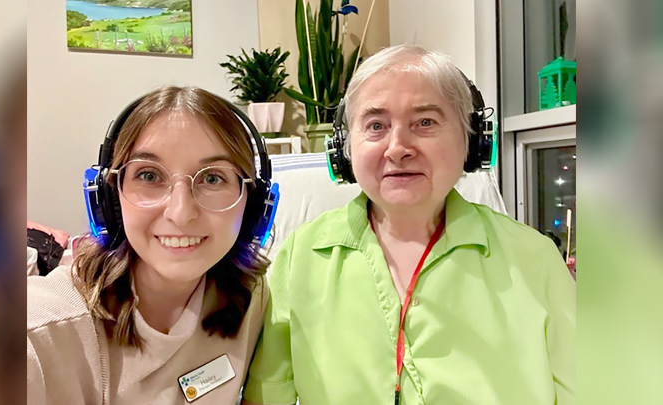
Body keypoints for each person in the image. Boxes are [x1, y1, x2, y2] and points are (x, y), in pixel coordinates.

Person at [242, 45, 575, 405]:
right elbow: (267, 394)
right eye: (375, 126)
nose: (398, 147)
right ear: (345, 149)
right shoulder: (299, 258)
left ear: (472, 140)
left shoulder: (533, 259)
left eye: (425, 122)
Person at [28, 86, 277, 404]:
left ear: (255, 205)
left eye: (212, 178)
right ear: (108, 200)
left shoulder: (250, 296)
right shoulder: (40, 331)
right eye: (148, 175)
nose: (181, 213)